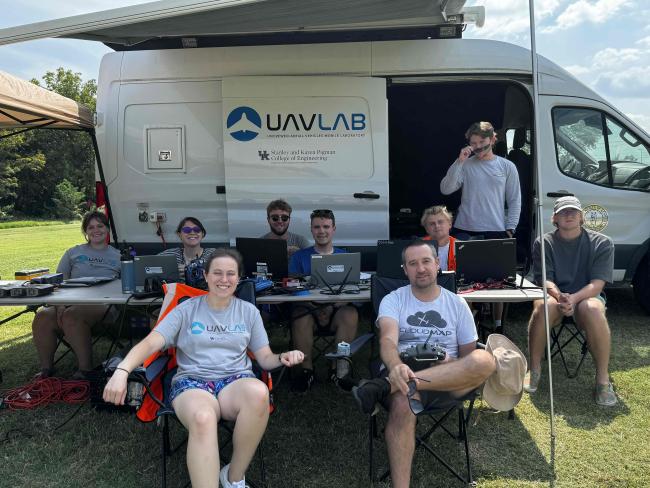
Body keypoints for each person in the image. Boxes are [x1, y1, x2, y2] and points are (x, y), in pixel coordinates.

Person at [103, 248, 304, 488]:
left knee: (259, 392)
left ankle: (233, 478)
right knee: (203, 417)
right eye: (217, 273)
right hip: (192, 382)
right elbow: (150, 343)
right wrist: (122, 370)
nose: (224, 279)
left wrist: (282, 357)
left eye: (231, 273)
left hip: (235, 381)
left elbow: (265, 358)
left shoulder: (248, 312)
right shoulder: (186, 309)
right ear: (206, 276)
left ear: (239, 278)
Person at [351, 240, 498, 488]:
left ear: (437, 264)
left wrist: (449, 362)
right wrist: (395, 366)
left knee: (484, 359)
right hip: (404, 368)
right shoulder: (393, 300)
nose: (420, 268)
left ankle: (383, 387)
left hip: (447, 379)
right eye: (413, 263)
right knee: (403, 403)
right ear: (405, 270)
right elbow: (387, 340)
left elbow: (467, 359)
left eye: (426, 261)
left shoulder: (457, 304)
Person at [524, 196, 617, 406]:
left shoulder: (603, 242)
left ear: (581, 216)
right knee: (543, 306)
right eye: (563, 212)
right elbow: (545, 279)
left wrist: (573, 298)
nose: (569, 215)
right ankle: (534, 370)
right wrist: (560, 296)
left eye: (573, 211)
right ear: (554, 218)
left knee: (593, 308)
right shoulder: (543, 242)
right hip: (556, 297)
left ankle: (603, 380)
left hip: (587, 298)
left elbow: (597, 285)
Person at [440, 121, 521, 328]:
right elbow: (446, 189)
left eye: (481, 143)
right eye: (473, 143)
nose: (477, 148)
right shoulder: (466, 164)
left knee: (499, 280)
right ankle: (468, 324)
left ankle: (497, 325)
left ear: (493, 139)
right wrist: (459, 161)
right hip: (465, 228)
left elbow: (514, 200)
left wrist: (510, 227)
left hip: (496, 229)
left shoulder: (507, 166)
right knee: (464, 280)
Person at [31, 211, 121, 378]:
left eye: (100, 226)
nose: (96, 230)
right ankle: (46, 369)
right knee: (42, 316)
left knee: (72, 315)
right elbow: (57, 281)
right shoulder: (72, 252)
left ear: (107, 229)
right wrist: (59, 305)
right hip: (69, 301)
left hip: (104, 305)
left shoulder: (118, 256)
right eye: (91, 227)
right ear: (85, 231)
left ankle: (85, 371)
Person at [288, 209, 359, 391]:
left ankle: (339, 370)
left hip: (337, 311)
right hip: (309, 310)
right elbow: (292, 289)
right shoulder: (299, 257)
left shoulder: (346, 257)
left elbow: (353, 290)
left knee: (351, 314)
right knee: (299, 315)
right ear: (311, 230)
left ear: (333, 229)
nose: (321, 231)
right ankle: (306, 371)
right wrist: (314, 306)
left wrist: (333, 305)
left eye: (326, 227)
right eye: (317, 227)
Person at [159, 217, 216, 286]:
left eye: (197, 230)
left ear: (202, 234)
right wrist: (172, 272)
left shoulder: (213, 255)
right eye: (187, 230)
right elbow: (150, 265)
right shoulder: (170, 255)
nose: (192, 232)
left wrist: (190, 271)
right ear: (179, 234)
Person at [420, 205, 456, 271]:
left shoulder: (461, 246)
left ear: (450, 224)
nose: (437, 226)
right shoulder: (417, 247)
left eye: (440, 222)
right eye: (432, 224)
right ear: (426, 229)